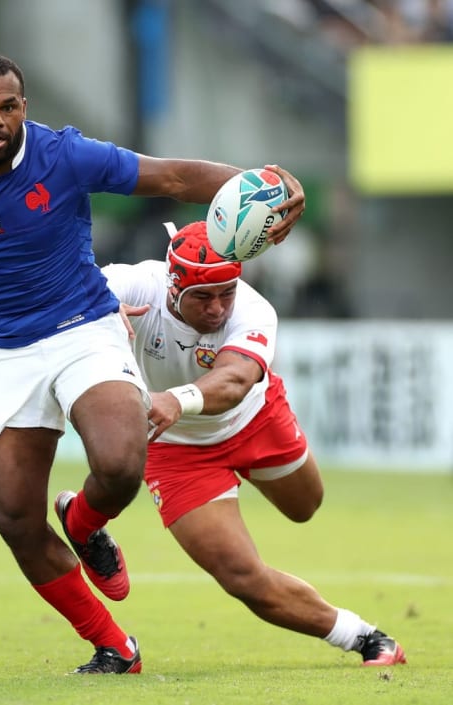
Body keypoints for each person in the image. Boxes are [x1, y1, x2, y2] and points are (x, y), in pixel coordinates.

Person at [0, 52, 306, 674]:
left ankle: (84, 522)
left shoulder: (63, 155)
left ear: (24, 107)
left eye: (9, 106)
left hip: (84, 325)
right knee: (13, 518)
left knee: (120, 463)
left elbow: (169, 178)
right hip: (1, 349)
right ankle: (114, 645)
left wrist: (258, 184)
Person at [100, 219, 406, 667]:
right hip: (177, 450)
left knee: (306, 506)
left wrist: (175, 399)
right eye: (202, 297)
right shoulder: (132, 284)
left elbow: (235, 380)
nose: (219, 308)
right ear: (171, 288)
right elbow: (61, 286)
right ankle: (365, 638)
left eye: (227, 292)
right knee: (242, 578)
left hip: (255, 419)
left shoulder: (255, 309)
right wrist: (98, 311)